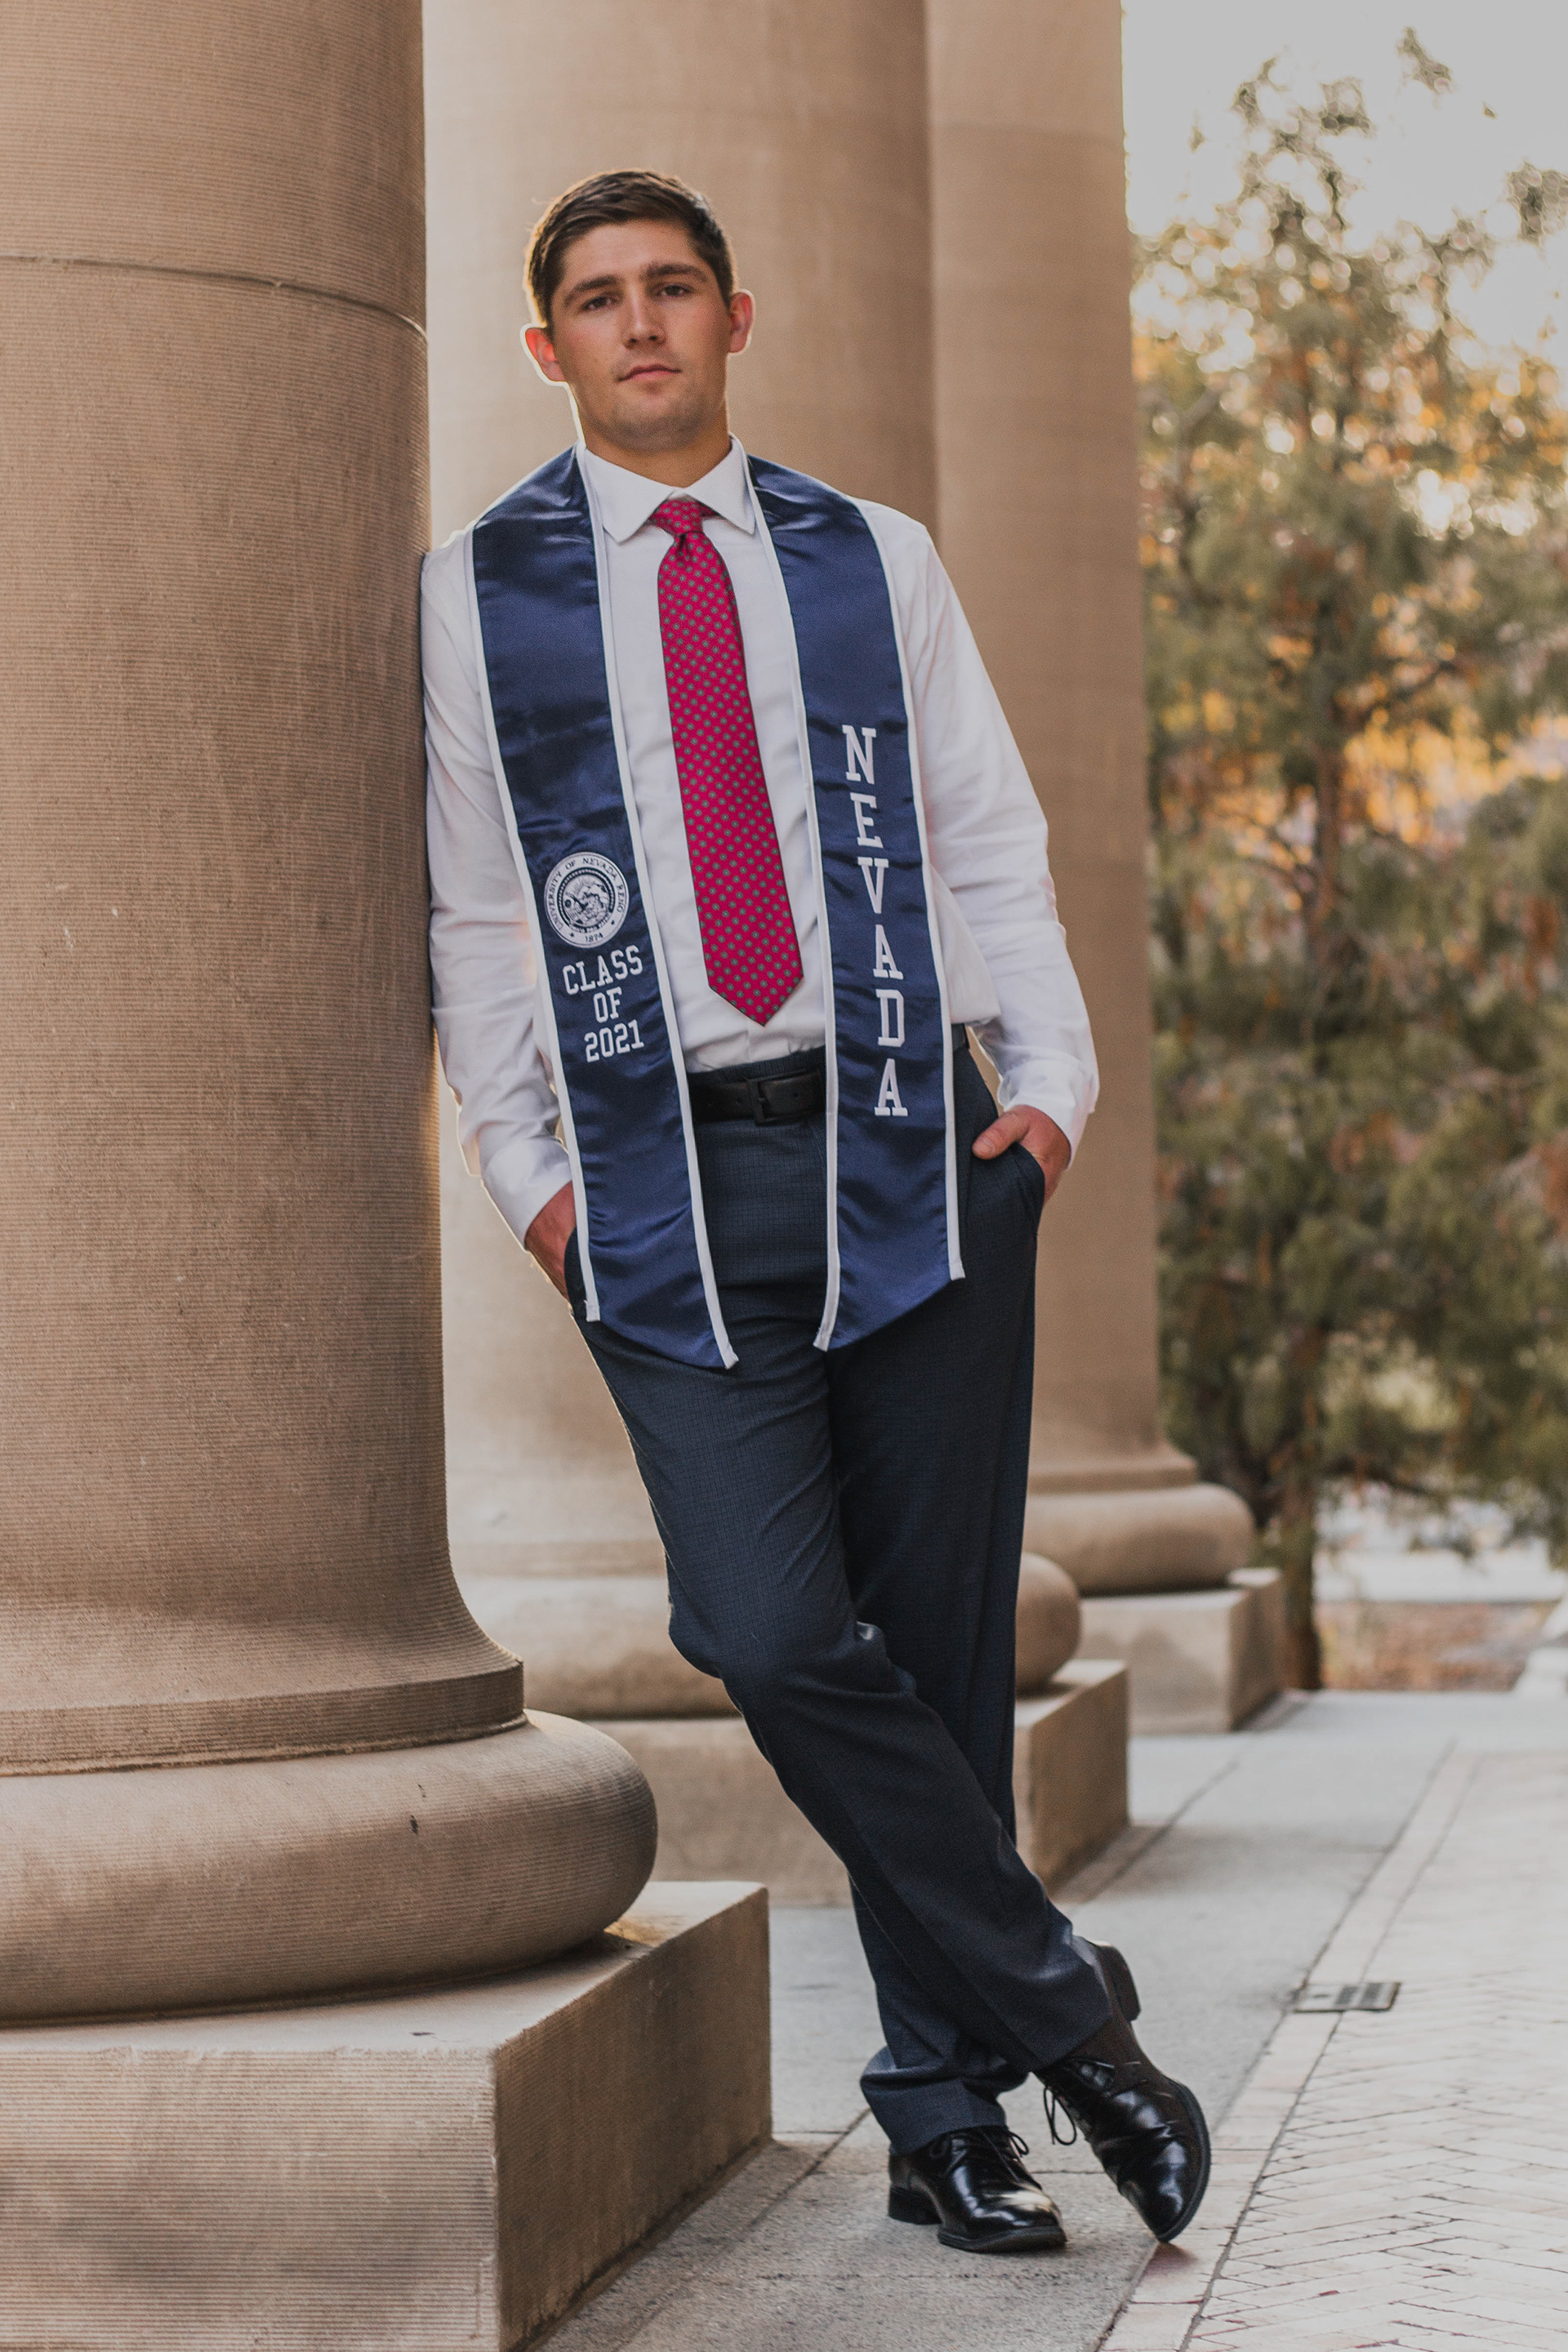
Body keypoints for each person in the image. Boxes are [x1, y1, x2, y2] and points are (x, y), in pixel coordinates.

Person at [422, 168, 1209, 2257]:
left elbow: (985, 834)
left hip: (914, 1154)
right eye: (601, 298)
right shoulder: (477, 594)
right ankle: (1077, 2020)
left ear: (734, 318)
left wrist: (1047, 1105)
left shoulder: (876, 558)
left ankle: (947, 2116)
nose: (642, 323)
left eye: (674, 287)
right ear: (548, 346)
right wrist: (535, 1190)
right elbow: (477, 918)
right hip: (656, 1185)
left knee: (936, 1649)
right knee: (766, 1626)